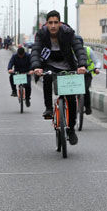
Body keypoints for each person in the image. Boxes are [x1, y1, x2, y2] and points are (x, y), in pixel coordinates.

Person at [30, 10, 87, 145]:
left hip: (67, 65)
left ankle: (71, 130)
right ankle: (49, 108)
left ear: (60, 23)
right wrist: (36, 67)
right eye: (50, 23)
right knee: (47, 78)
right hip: (49, 64)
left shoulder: (68, 32)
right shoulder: (41, 34)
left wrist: (82, 65)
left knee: (71, 100)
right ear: (47, 24)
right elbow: (36, 51)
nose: (53, 26)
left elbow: (78, 49)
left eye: (56, 22)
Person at [75, 36, 101, 114]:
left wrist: (96, 68)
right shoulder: (70, 51)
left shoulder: (88, 50)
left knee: (85, 90)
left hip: (87, 73)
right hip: (74, 74)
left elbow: (97, 62)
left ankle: (88, 107)